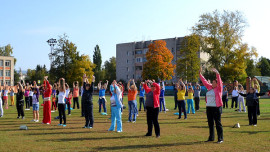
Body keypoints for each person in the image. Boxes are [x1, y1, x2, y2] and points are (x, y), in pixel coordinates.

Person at [200, 67, 223, 144]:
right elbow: (204, 81)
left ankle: (220, 138)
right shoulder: (209, 87)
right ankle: (211, 137)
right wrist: (200, 74)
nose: (212, 83)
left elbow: (219, 82)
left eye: (214, 82)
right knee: (210, 123)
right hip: (209, 108)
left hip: (216, 108)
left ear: (216, 84)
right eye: (212, 82)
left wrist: (217, 74)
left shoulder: (219, 88)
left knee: (218, 123)